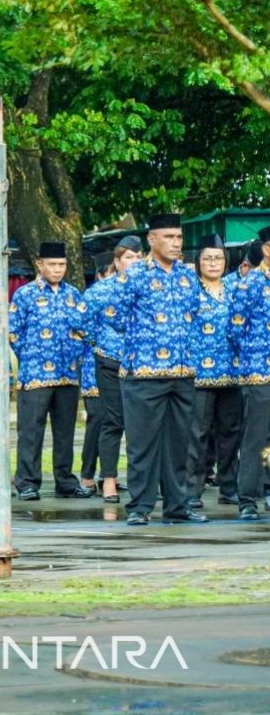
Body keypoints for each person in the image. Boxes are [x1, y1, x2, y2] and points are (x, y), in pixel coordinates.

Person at [103, 213, 206, 526]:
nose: (176, 244)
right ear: (151, 239)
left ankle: (178, 505)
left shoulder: (187, 277)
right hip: (144, 373)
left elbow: (195, 316)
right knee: (143, 444)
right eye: (168, 238)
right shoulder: (135, 275)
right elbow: (114, 315)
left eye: (179, 238)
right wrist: (141, 342)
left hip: (182, 372)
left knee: (179, 444)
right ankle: (140, 506)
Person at [9, 242, 89, 501]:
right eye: (52, 265)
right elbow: (13, 333)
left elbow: (82, 330)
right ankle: (27, 481)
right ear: (40, 265)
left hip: (68, 373)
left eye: (62, 265)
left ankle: (65, 480)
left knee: (65, 431)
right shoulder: (24, 295)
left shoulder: (73, 295)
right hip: (35, 375)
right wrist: (32, 355)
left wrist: (75, 353)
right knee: (31, 431)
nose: (57, 269)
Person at [76, 236, 142, 502]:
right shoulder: (102, 290)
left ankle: (143, 480)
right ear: (117, 262)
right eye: (128, 257)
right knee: (112, 421)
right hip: (110, 361)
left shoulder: (151, 289)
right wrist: (99, 340)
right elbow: (79, 320)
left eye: (138, 257)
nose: (134, 262)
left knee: (142, 425)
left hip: (143, 364)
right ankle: (109, 480)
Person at [187, 234, 240, 510]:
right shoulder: (190, 291)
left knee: (231, 433)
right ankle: (192, 490)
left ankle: (229, 487)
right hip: (199, 376)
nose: (213, 263)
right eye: (207, 258)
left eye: (218, 258)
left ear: (225, 261)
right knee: (197, 434)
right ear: (198, 261)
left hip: (232, 374)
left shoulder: (235, 289)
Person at [229, 225, 270, 521]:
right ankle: (248, 497)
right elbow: (235, 327)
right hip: (259, 370)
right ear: (266, 249)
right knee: (256, 436)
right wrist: (253, 354)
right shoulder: (253, 282)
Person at [77, 252, 114, 496]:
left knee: (114, 422)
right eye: (109, 272)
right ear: (100, 275)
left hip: (117, 367)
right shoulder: (94, 296)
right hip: (93, 366)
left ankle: (108, 474)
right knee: (97, 420)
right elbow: (80, 327)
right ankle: (87, 474)